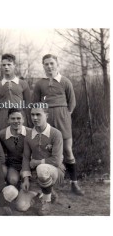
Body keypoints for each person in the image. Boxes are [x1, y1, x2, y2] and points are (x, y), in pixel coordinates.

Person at [33, 54, 84, 195]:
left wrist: (65, 115)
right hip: (46, 119)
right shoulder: (40, 84)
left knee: (68, 151)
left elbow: (72, 103)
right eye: (46, 64)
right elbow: (35, 104)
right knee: (47, 151)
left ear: (57, 64)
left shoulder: (65, 81)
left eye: (51, 63)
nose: (49, 66)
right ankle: (48, 188)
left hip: (63, 118)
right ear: (43, 66)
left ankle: (74, 184)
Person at [18, 107, 65, 215]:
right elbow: (26, 157)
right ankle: (45, 192)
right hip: (36, 175)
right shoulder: (29, 135)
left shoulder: (55, 133)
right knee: (21, 206)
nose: (35, 117)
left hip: (55, 172)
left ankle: (46, 201)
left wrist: (37, 162)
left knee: (42, 169)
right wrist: (25, 178)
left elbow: (57, 160)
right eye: (32, 115)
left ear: (46, 115)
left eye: (38, 114)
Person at [0, 53, 31, 132]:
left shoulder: (23, 84)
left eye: (9, 64)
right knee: (4, 139)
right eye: (4, 65)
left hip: (19, 116)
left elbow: (28, 106)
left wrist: (30, 124)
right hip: (3, 118)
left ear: (14, 65)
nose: (6, 67)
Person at [0, 108, 31, 186]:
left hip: (28, 164)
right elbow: (1, 154)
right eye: (13, 118)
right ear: (8, 120)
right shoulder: (2, 134)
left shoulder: (30, 132)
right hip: (13, 165)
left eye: (18, 118)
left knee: (33, 178)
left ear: (23, 119)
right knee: (12, 180)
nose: (16, 121)